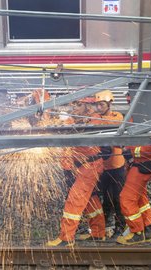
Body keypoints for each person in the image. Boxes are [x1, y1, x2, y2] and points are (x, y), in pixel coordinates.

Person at [47, 98, 106, 247]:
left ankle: (66, 238)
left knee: (75, 199)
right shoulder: (73, 119)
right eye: (73, 105)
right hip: (80, 166)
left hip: (90, 166)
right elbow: (65, 129)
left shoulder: (95, 120)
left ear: (87, 106)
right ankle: (98, 233)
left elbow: (82, 135)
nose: (74, 109)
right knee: (91, 199)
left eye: (78, 105)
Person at [91, 90, 127, 238]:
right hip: (103, 167)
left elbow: (113, 127)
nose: (99, 107)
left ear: (109, 104)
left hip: (117, 165)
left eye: (102, 104)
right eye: (97, 105)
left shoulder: (117, 117)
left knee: (118, 198)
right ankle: (103, 227)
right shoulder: (93, 118)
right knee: (105, 199)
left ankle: (120, 227)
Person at [116, 144, 151, 245]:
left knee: (126, 199)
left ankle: (137, 233)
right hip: (139, 165)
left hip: (141, 165)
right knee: (140, 198)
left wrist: (130, 149)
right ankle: (147, 230)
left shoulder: (150, 130)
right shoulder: (141, 129)